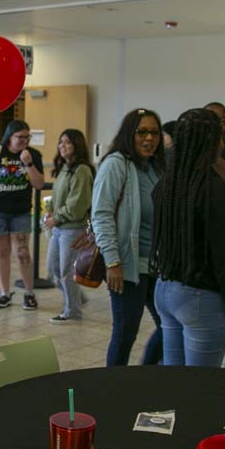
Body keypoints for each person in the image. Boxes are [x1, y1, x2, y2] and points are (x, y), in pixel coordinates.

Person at [151, 109, 225, 367]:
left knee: (175, 382)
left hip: (164, 290)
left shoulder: (165, 186)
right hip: (198, 298)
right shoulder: (216, 191)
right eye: (220, 137)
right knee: (201, 387)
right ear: (212, 143)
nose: (224, 143)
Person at [92, 109, 165, 367]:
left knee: (168, 327)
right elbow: (101, 215)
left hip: (156, 267)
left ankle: (145, 373)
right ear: (129, 134)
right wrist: (113, 262)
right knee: (125, 334)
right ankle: (113, 387)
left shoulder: (155, 168)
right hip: (127, 267)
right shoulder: (116, 164)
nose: (149, 138)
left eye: (154, 132)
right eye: (142, 132)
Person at [0, 119, 44, 310]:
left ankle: (29, 293)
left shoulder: (33, 155)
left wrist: (28, 163)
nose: (24, 141)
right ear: (9, 137)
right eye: (19, 137)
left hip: (20, 211)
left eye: (27, 137)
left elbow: (38, 184)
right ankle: (5, 293)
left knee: (22, 252)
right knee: (1, 252)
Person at [44, 129, 94, 324]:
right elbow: (59, 196)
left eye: (67, 143)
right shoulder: (65, 167)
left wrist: (57, 217)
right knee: (53, 270)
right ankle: (77, 299)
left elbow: (77, 205)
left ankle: (73, 311)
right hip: (59, 227)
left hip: (72, 228)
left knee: (66, 272)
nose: (62, 146)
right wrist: (50, 211)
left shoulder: (82, 170)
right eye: (60, 142)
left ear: (77, 146)